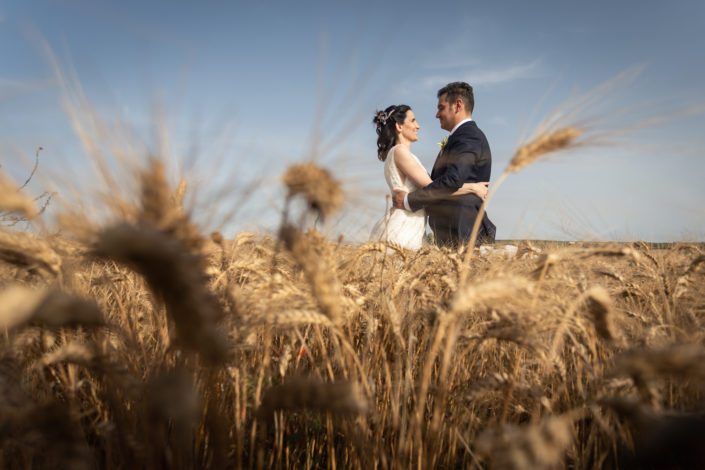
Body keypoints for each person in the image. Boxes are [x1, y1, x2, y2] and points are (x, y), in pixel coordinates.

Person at [370, 104, 489, 250]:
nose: (418, 126)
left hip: (412, 224)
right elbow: (432, 188)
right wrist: (472, 188)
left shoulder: (402, 154)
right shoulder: (400, 151)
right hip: (403, 226)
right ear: (399, 126)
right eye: (413, 120)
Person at [392, 82, 496, 247]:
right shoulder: (461, 137)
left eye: (441, 108)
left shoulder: (469, 136)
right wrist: (471, 187)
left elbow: (453, 179)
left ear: (458, 105)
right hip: (453, 228)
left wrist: (408, 201)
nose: (437, 115)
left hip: (462, 228)